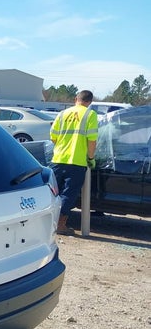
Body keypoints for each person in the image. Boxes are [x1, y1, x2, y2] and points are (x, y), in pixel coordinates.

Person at [50, 90, 98, 235]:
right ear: (90, 102)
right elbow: (92, 140)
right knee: (68, 194)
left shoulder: (62, 113)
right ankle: (60, 224)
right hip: (77, 161)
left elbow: (53, 137)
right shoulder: (90, 114)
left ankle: (44, 222)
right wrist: (90, 158)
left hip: (58, 159)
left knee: (52, 192)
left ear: (75, 99)